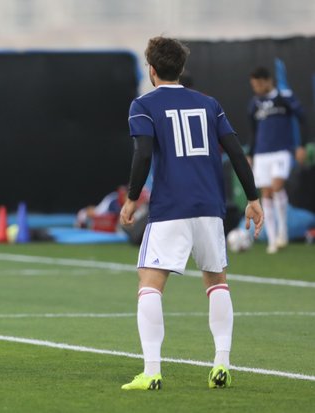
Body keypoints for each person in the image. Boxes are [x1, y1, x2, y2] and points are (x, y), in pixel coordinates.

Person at [119, 37, 264, 390]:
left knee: (150, 283)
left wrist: (132, 198)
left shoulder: (143, 105)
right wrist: (253, 198)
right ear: (180, 69)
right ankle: (222, 364)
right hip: (209, 208)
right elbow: (234, 150)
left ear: (151, 70)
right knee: (217, 281)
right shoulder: (209, 104)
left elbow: (143, 154)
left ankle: (152, 371)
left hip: (171, 208)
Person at [248, 67, 307, 254]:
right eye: (253, 85)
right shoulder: (254, 103)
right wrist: (250, 153)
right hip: (262, 154)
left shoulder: (283, 97)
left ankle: (283, 231)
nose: (255, 88)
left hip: (281, 151)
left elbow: (302, 118)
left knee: (277, 186)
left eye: (258, 84)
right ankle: (272, 240)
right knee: (265, 194)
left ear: (267, 81)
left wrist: (301, 145)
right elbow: (253, 131)